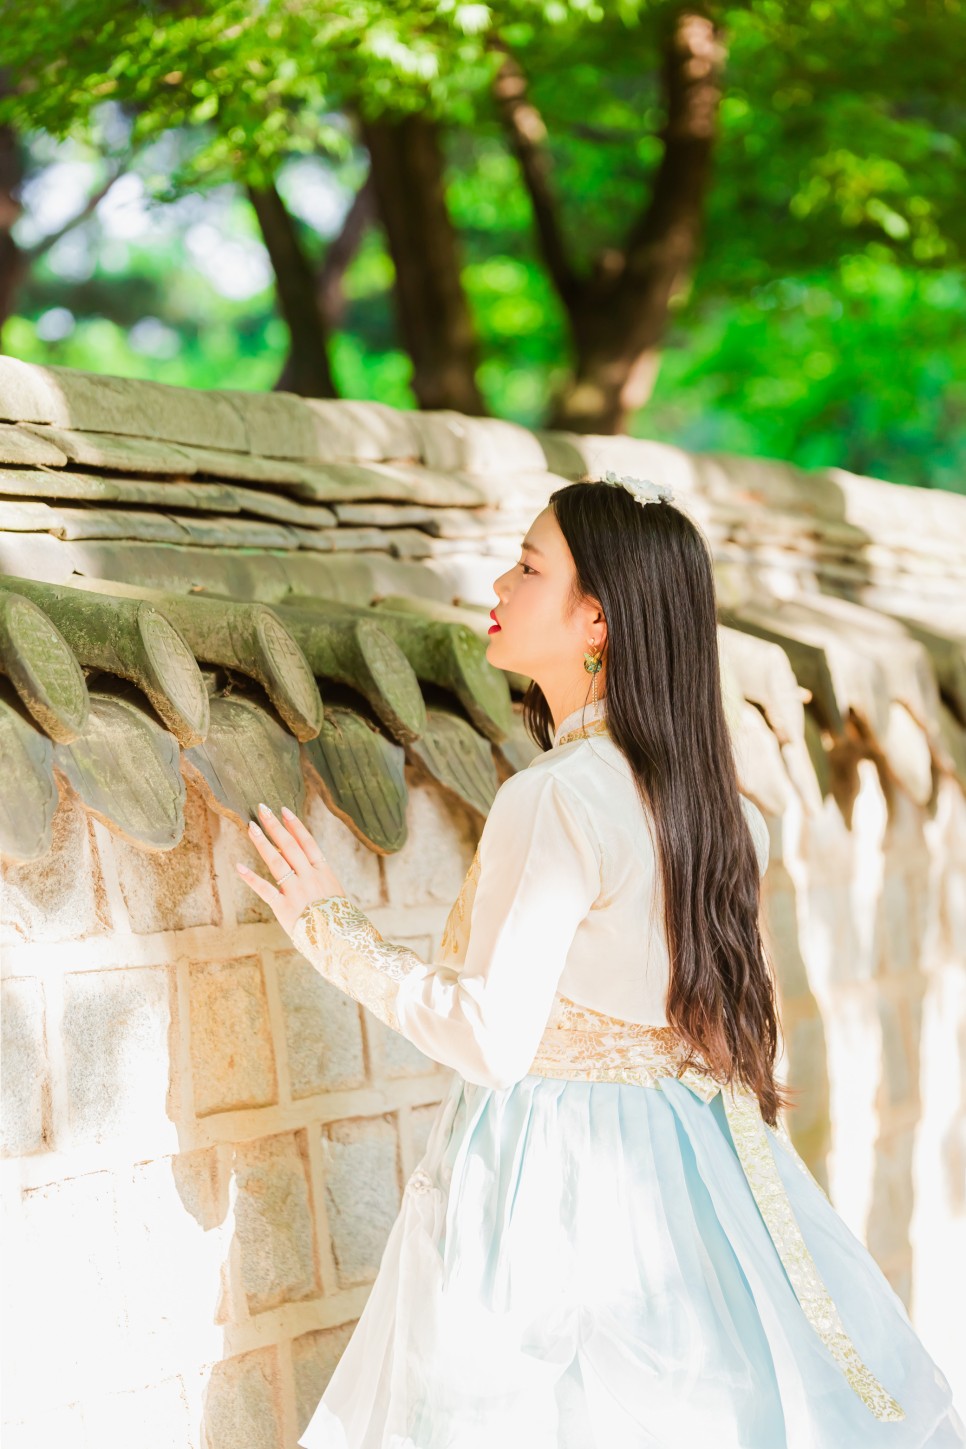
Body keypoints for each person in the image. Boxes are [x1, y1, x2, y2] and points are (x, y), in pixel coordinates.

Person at [237, 474, 964, 1449]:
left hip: (559, 1182)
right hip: (688, 1167)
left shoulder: (559, 797)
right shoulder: (703, 794)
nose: (498, 581)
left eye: (530, 565)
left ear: (597, 620)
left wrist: (335, 930)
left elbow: (492, 1040)